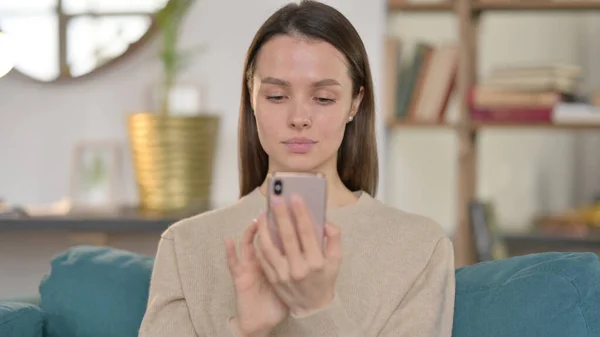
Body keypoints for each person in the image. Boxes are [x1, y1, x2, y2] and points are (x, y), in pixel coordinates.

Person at [138, 1, 455, 336]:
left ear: (355, 102)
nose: (299, 118)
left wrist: (316, 307)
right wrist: (246, 330)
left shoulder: (419, 247)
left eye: (323, 99)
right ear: (252, 97)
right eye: (277, 96)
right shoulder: (185, 245)